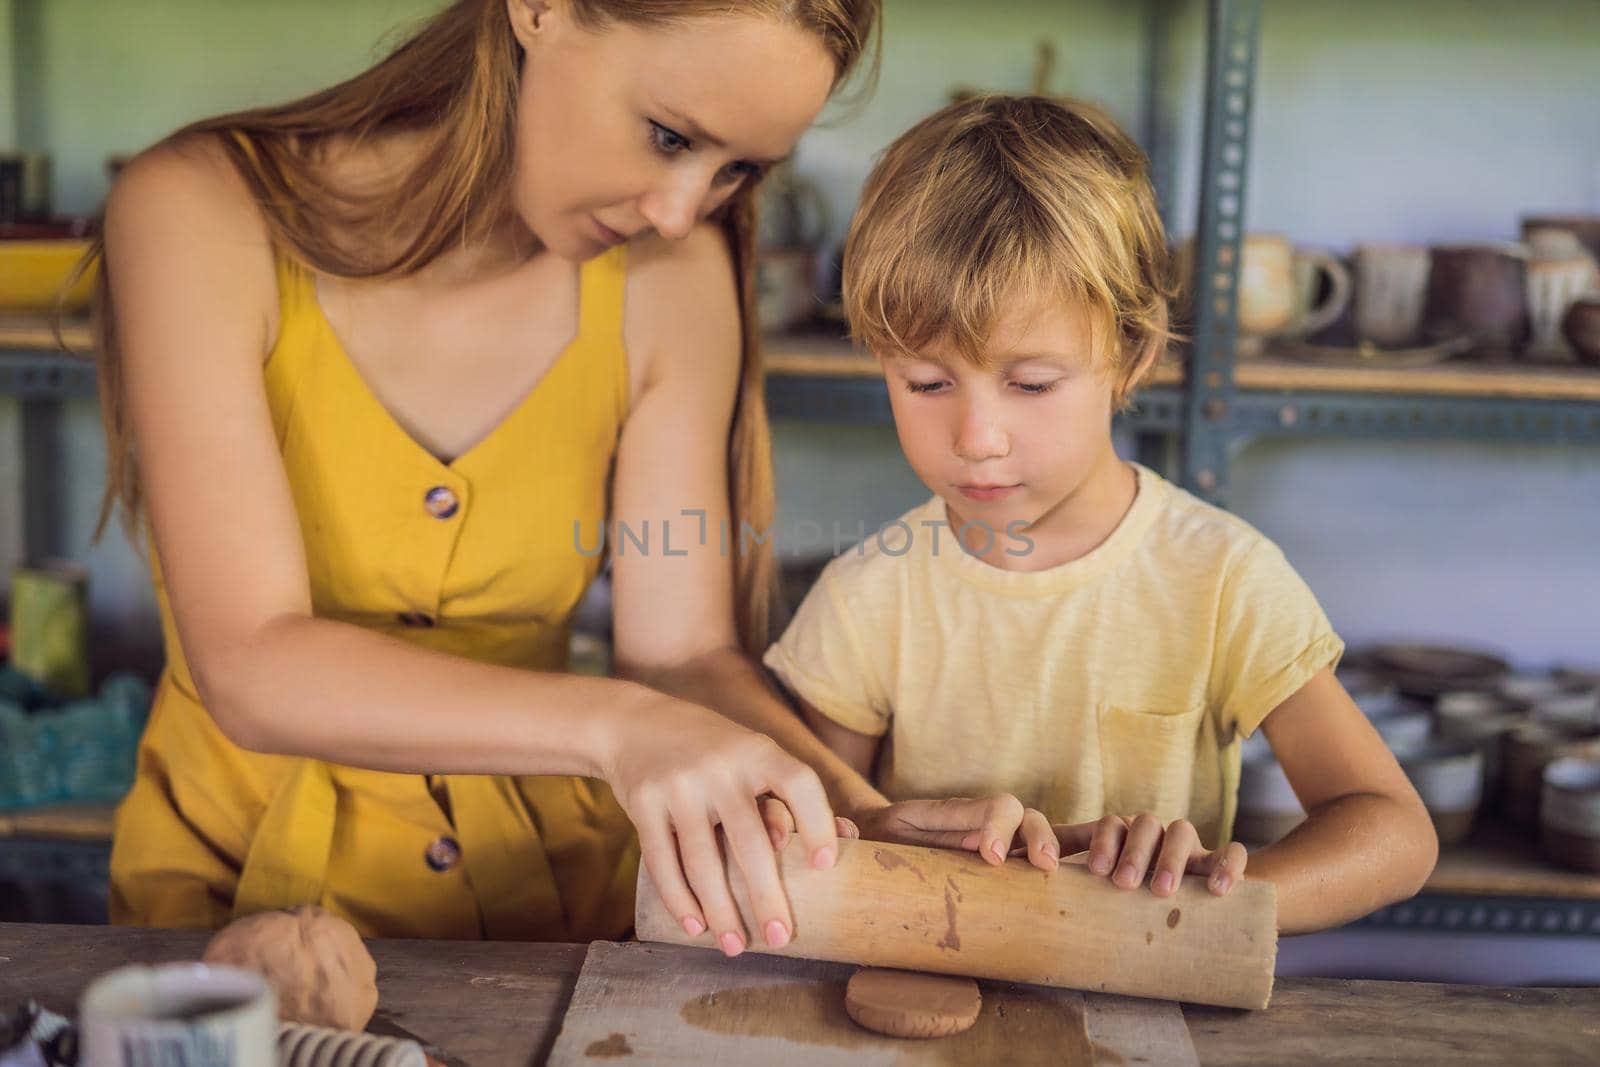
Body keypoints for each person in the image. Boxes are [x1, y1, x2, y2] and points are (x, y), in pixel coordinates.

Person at [91, 0, 888, 952]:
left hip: (547, 909)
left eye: (737, 169)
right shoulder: (197, 211)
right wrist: (622, 729)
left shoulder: (676, 273)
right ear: (540, 10)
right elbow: (250, 662)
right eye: (669, 134)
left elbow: (678, 657)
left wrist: (859, 812)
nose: (680, 210)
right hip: (229, 910)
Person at [762, 94, 1439, 934]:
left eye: (1032, 383)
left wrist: (1216, 907)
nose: (977, 437)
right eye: (926, 383)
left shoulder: (1221, 578)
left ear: (1132, 356)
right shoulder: (869, 595)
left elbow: (1395, 829)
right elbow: (810, 832)